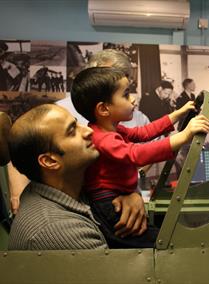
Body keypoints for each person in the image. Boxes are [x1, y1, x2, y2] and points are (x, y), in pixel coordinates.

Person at [7, 49, 150, 241]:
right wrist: (20, 198)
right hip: (77, 208)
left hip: (118, 207)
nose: (89, 132)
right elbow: (24, 145)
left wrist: (131, 191)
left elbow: (144, 154)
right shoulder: (59, 111)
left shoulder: (136, 117)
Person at [70, 67, 209, 248]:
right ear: (104, 109)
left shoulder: (112, 128)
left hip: (118, 197)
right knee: (157, 243)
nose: (133, 99)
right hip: (109, 204)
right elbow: (136, 154)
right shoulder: (103, 138)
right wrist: (183, 137)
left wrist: (178, 113)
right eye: (126, 95)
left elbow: (144, 132)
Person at [7, 104, 108, 250]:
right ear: (50, 161)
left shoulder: (69, 188)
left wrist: (130, 195)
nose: (89, 131)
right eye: (72, 131)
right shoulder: (58, 229)